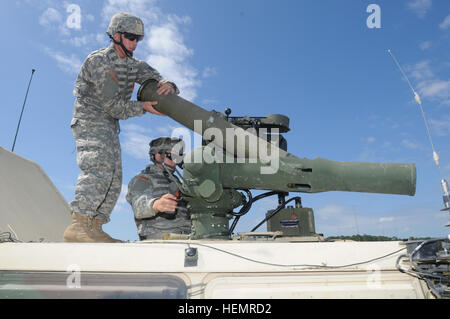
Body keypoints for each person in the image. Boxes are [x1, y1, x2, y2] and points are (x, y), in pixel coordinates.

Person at [63, 12, 179, 243]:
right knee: (98, 167)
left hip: (108, 125)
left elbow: (152, 75)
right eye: (130, 37)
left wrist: (168, 84)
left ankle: (94, 226)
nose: (135, 43)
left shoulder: (131, 64)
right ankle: (78, 225)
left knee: (114, 176)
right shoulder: (99, 62)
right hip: (91, 119)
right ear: (116, 36)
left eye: (139, 39)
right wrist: (143, 107)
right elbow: (112, 107)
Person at [126, 137, 191, 240]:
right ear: (158, 156)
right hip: (160, 237)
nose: (175, 162)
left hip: (188, 236)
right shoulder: (144, 179)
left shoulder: (179, 182)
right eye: (171, 156)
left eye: (178, 158)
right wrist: (156, 204)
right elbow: (138, 205)